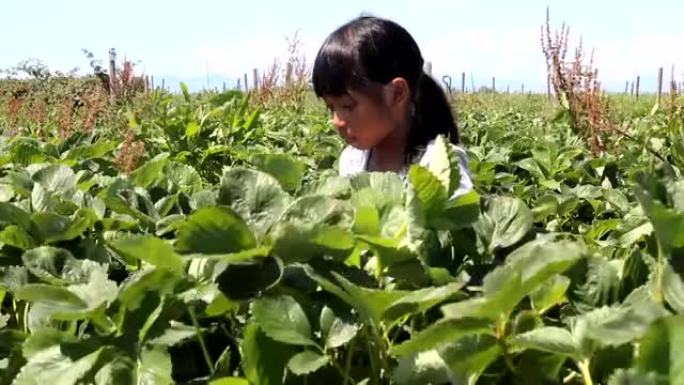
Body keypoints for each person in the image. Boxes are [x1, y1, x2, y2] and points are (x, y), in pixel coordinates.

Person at [312, 15, 473, 198]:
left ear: (396, 93)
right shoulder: (351, 161)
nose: (337, 122)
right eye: (331, 108)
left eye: (348, 106)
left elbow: (460, 225)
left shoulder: (439, 165)